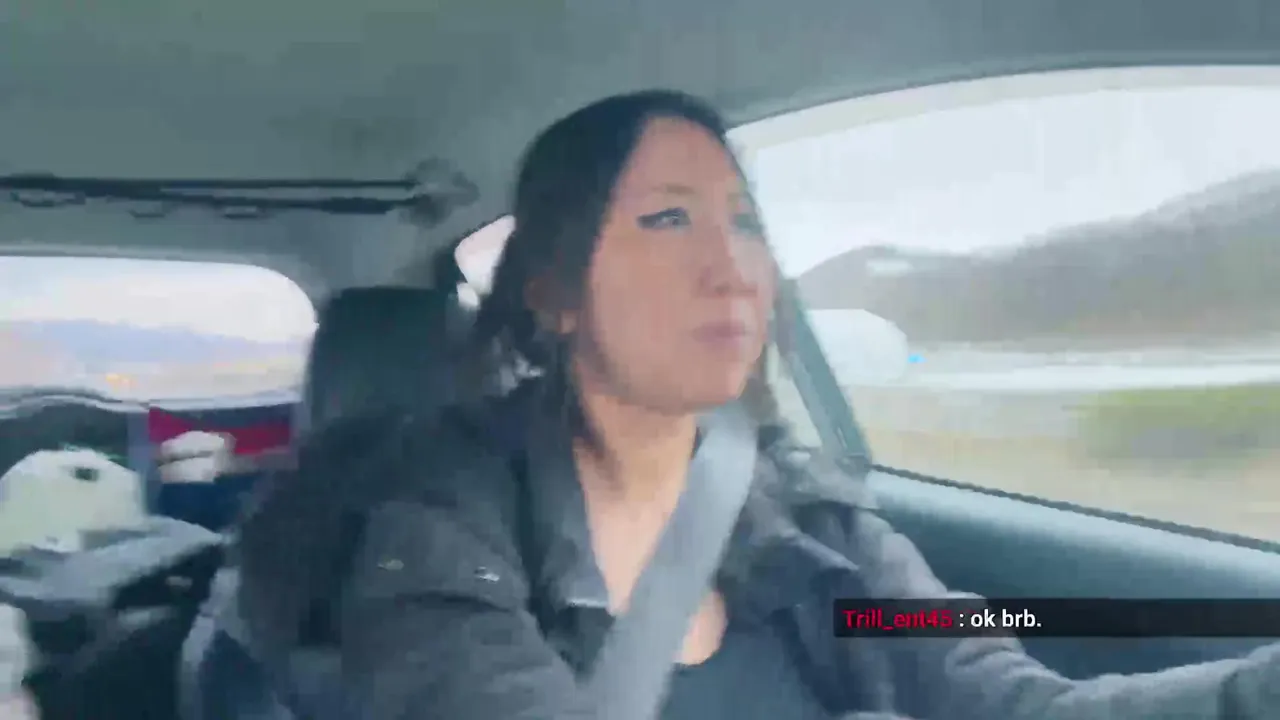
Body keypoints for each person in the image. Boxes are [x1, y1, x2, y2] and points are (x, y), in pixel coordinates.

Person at [237, 90, 1280, 720]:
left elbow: (1008, 701)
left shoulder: (814, 520)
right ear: (553, 293)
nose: (730, 266)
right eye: (667, 219)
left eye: (743, 222)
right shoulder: (432, 527)